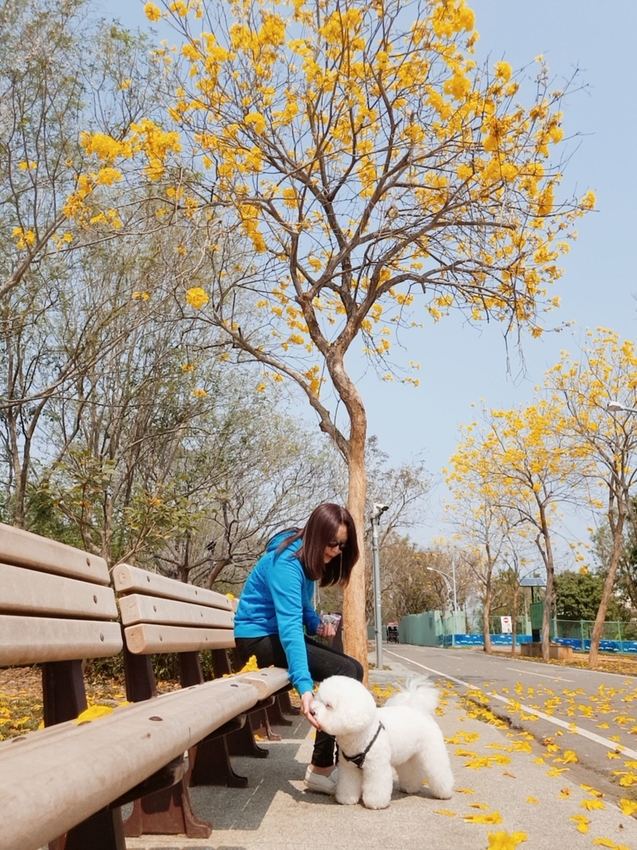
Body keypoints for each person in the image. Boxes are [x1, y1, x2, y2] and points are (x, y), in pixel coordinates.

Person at [234, 502, 364, 795]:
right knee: (343, 670)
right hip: (256, 641)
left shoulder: (304, 560)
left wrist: (317, 624)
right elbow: (290, 629)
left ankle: (336, 760)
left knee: (353, 668)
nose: (336, 551)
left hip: (273, 635)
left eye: (342, 545)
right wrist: (304, 687)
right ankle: (321, 768)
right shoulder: (286, 563)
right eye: (332, 543)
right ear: (317, 534)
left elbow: (302, 609)